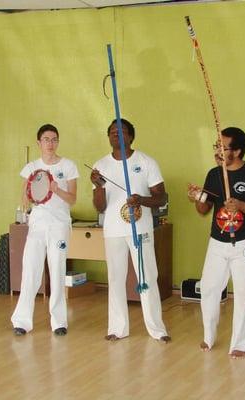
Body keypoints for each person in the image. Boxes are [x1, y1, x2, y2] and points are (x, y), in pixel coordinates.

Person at [187, 127, 245, 358]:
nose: (218, 151)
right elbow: (204, 209)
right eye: (217, 146)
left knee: (244, 294)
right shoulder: (214, 175)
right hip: (217, 240)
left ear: (238, 151)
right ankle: (209, 336)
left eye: (223, 148)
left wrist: (242, 206)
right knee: (209, 288)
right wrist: (198, 197)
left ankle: (240, 344)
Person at [90, 118, 170, 342]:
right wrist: (98, 186)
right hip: (113, 231)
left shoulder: (146, 162)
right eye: (113, 132)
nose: (117, 135)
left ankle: (157, 329)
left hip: (140, 228)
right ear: (108, 137)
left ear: (131, 136)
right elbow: (100, 206)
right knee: (115, 278)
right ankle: (117, 328)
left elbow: (161, 197)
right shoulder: (101, 166)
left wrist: (141, 200)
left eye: (122, 131)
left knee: (147, 277)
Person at [11, 124, 78, 336]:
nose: (50, 143)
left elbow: (73, 199)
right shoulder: (31, 168)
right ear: (39, 142)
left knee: (57, 270)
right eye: (46, 139)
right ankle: (21, 321)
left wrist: (56, 189)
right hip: (37, 226)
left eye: (54, 139)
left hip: (59, 226)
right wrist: (32, 196)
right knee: (30, 271)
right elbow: (24, 198)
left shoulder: (68, 166)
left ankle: (59, 321)